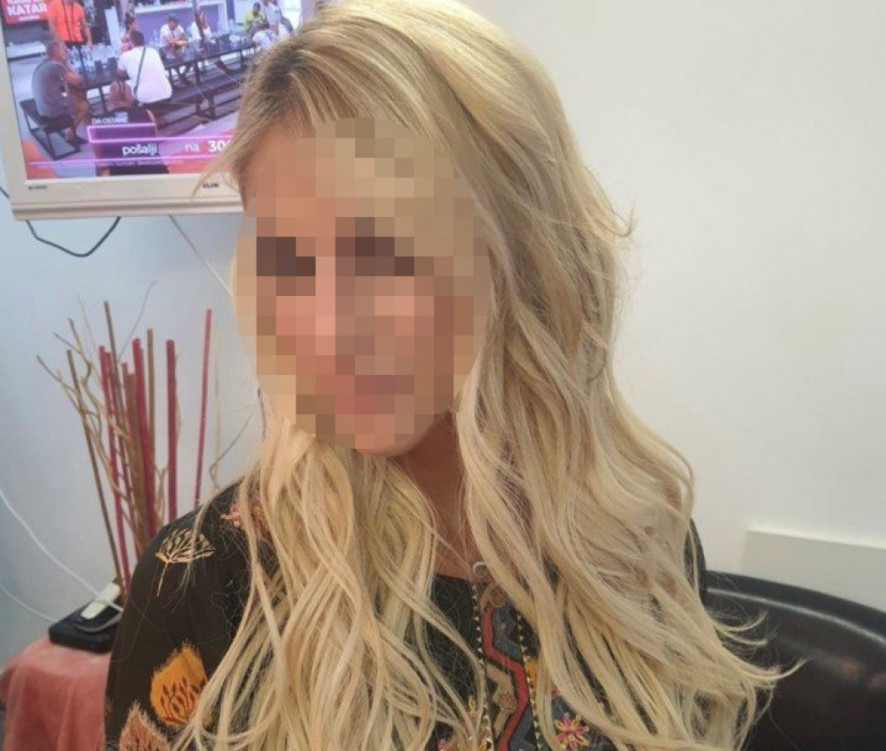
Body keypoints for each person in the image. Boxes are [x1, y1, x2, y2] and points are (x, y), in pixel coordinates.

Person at [103, 1, 796, 750]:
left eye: (385, 247)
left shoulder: (639, 542)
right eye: (288, 258)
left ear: (523, 251)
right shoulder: (204, 590)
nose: (329, 322)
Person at [30, 38, 90, 144]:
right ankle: (70, 132)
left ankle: (75, 121)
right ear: (57, 53)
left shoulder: (44, 63)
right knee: (84, 105)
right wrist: (67, 63)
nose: (66, 51)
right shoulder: (56, 66)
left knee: (76, 96)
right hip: (51, 110)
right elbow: (78, 80)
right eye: (63, 49)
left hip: (42, 107)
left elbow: (65, 83)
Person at [116, 29, 172, 124]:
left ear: (131, 42)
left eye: (126, 41)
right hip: (167, 97)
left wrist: (124, 53)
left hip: (146, 102)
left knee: (124, 89)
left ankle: (139, 121)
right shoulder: (153, 51)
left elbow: (119, 73)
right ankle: (157, 118)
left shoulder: (125, 56)